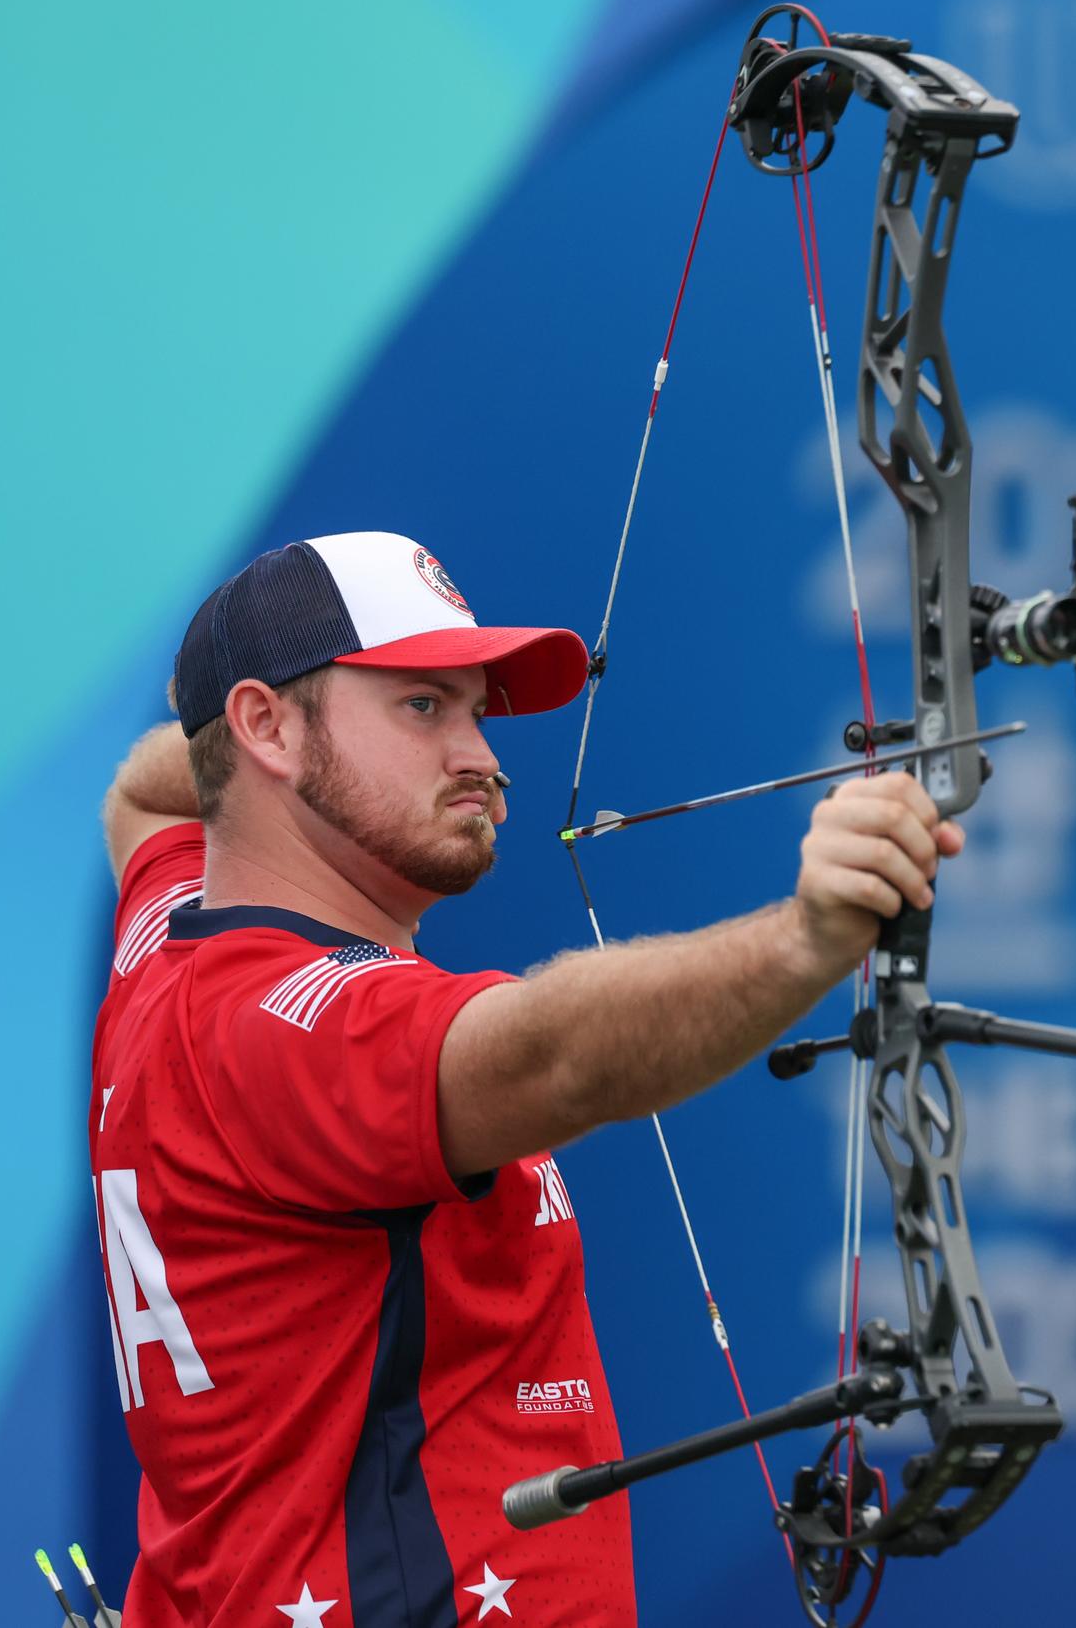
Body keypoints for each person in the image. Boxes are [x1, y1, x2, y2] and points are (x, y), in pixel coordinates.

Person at [93, 530, 964, 1628]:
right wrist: (804, 940)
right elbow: (549, 1048)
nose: (484, 758)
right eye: (422, 707)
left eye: (476, 710)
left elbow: (144, 789)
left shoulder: (167, 931)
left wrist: (246, 747)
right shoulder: (296, 1028)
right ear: (268, 723)